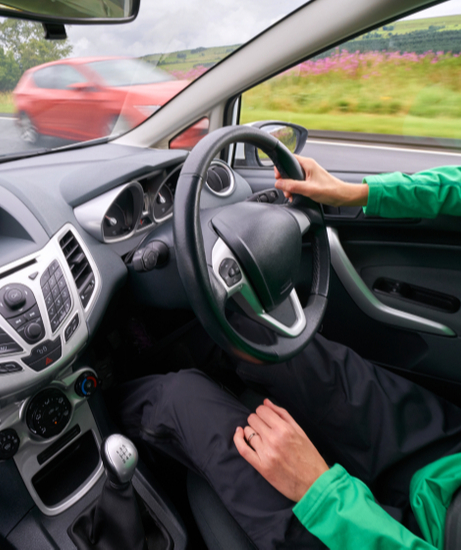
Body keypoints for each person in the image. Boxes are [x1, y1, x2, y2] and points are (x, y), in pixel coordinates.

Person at [114, 156, 461, 549]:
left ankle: (105, 412)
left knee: (180, 399)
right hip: (447, 465)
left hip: (379, 536)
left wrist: (320, 490)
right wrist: (359, 193)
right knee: (264, 336)